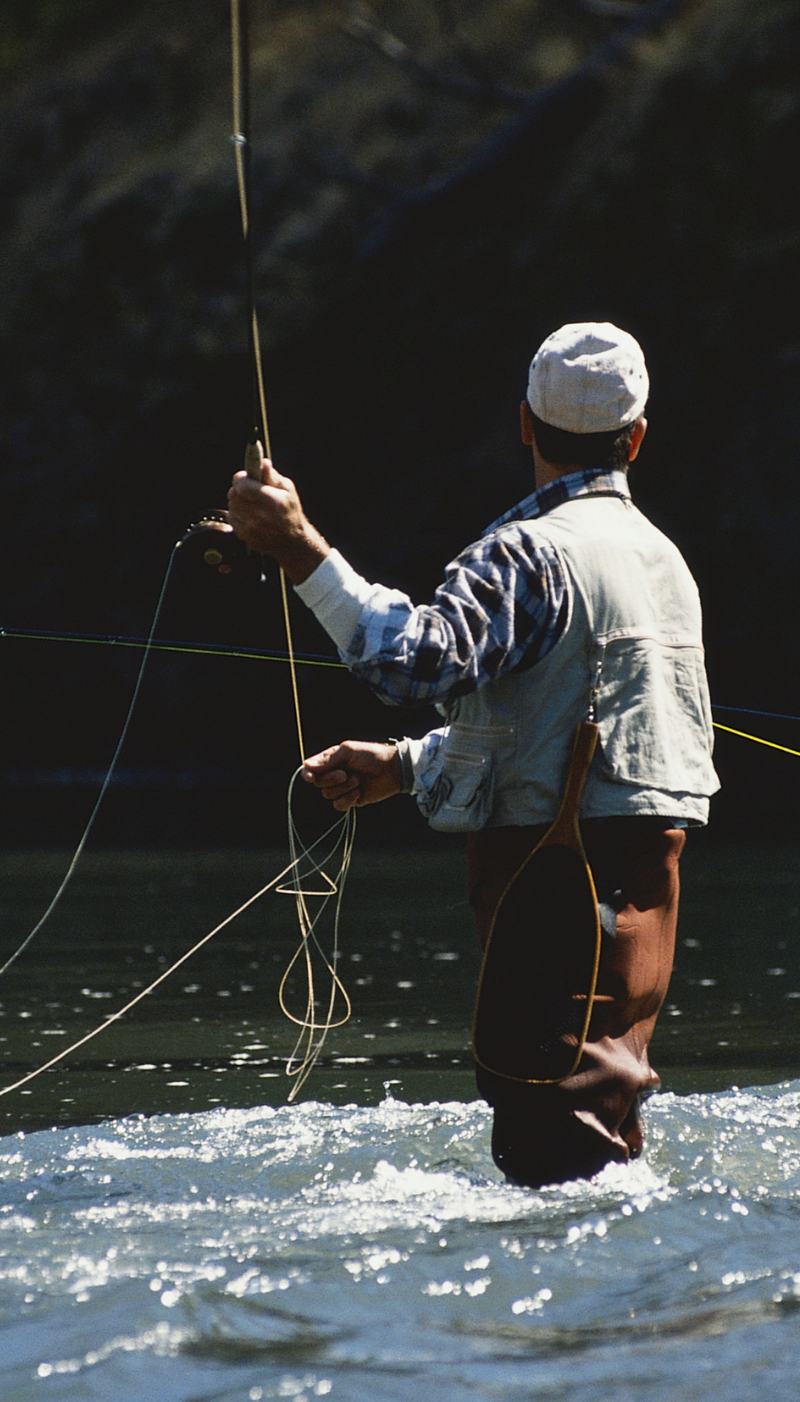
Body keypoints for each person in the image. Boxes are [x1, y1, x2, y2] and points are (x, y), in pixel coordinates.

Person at [225, 322, 719, 1185]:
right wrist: (409, 766)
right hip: (648, 881)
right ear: (637, 437)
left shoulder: (529, 552)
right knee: (603, 1106)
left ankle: (586, 1308)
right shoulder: (667, 562)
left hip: (549, 873)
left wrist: (299, 546)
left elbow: (411, 660)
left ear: (525, 423)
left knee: (551, 1127)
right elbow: (569, 725)